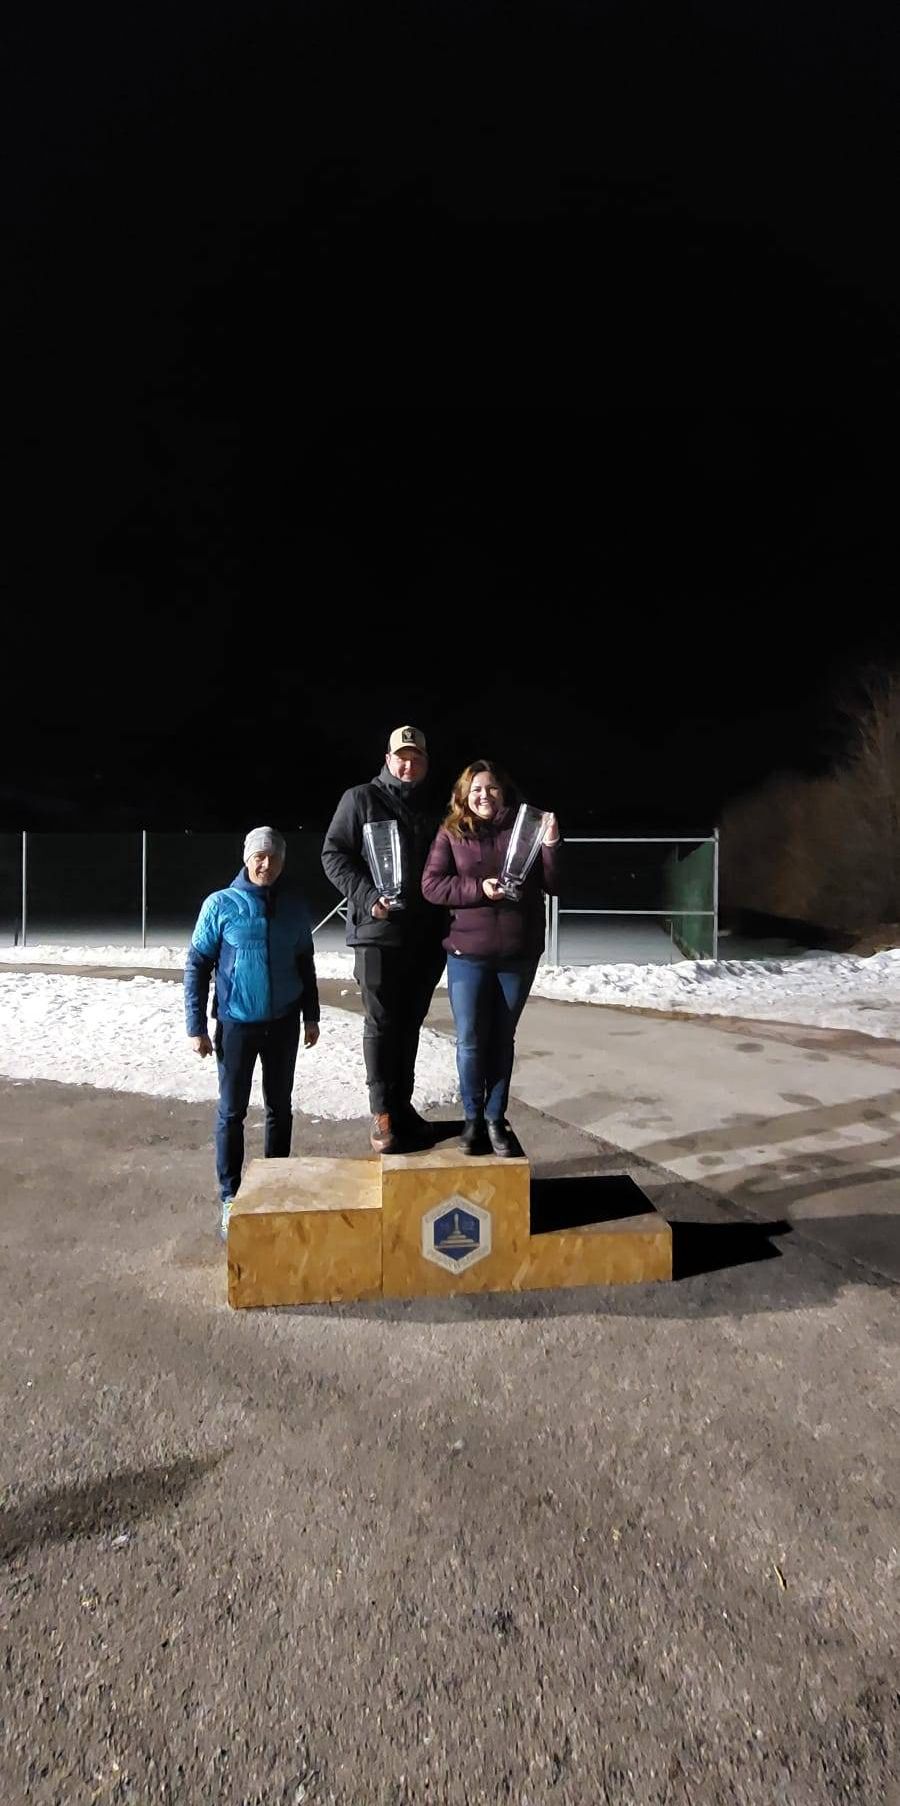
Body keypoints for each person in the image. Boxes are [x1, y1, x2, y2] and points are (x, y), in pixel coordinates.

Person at [184, 826, 320, 1237]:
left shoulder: (294, 908)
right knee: (232, 1111)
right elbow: (197, 966)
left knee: (280, 1107)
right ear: (247, 858)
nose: (267, 864)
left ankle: (275, 1187)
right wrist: (196, 1026)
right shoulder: (220, 905)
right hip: (236, 1024)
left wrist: (310, 1016)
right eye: (260, 856)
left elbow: (305, 964)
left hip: (283, 1025)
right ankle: (231, 1196)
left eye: (274, 857)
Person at [421, 760, 561, 1155]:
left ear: (504, 792)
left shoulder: (526, 828)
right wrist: (479, 888)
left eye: (492, 788)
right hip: (468, 954)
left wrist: (550, 844)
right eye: (476, 789)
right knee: (470, 1041)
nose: (484, 795)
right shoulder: (452, 832)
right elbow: (431, 885)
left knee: (502, 1040)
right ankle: (472, 1121)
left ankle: (496, 1119)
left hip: (518, 954)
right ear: (464, 795)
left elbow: (554, 884)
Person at [321, 725, 446, 1153]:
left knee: (410, 1024)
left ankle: (403, 1106)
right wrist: (369, 897)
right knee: (382, 1022)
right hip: (377, 932)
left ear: (425, 764)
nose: (408, 764)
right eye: (401, 756)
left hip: (426, 937)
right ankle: (383, 1112)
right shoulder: (361, 799)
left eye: (417, 757)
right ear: (388, 759)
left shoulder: (434, 807)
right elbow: (333, 855)